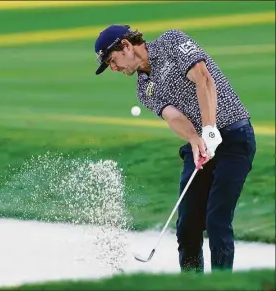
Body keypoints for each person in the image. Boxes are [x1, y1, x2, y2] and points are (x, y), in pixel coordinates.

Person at [94, 24, 256, 272]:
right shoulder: (143, 89)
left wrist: (210, 128)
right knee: (187, 225)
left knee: (216, 220)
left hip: (234, 136)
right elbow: (174, 117)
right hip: (201, 147)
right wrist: (194, 139)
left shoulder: (171, 41)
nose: (113, 68)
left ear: (125, 46)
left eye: (112, 60)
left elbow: (204, 79)